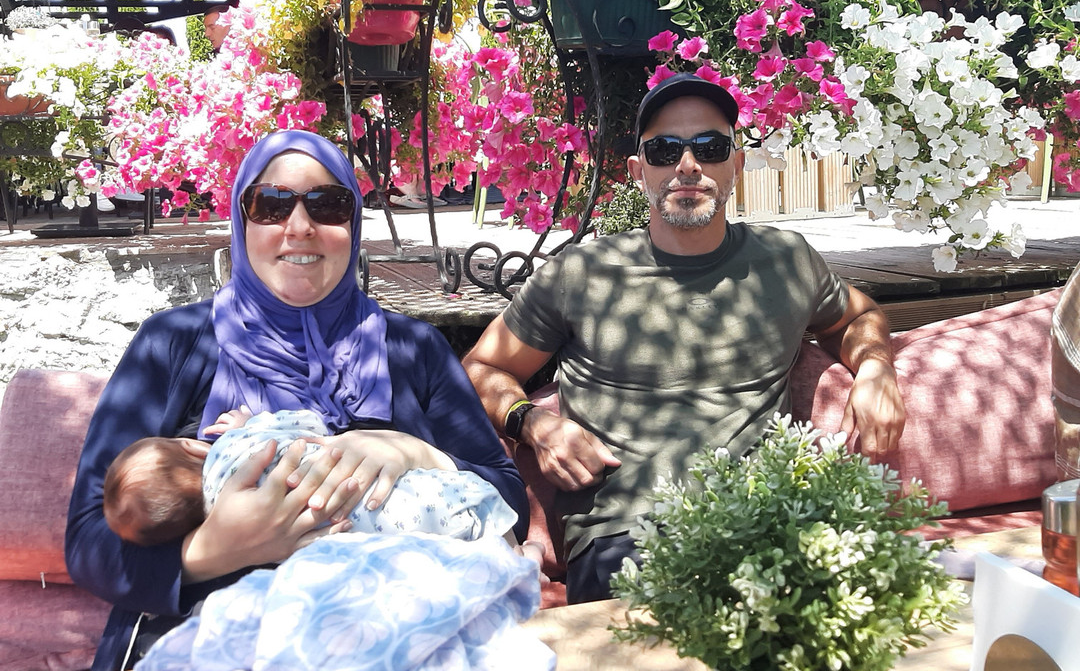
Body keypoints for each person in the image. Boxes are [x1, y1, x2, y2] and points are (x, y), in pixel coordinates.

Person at [66, 129, 528, 671]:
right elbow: (89, 540)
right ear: (242, 221)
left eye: (328, 205)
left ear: (353, 225)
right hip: (198, 641)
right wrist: (216, 549)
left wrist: (414, 452)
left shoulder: (413, 348)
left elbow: (509, 505)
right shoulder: (172, 343)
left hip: (393, 640)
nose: (300, 226)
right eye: (272, 204)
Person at [461, 73, 906, 604]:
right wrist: (531, 423)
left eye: (710, 148)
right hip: (627, 534)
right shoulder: (581, 273)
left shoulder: (787, 261)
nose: (688, 165)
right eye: (665, 150)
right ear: (638, 171)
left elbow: (857, 317)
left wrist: (876, 368)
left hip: (768, 520)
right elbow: (481, 368)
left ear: (736, 165)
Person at [104, 408, 519, 547]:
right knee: (478, 509)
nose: (298, 234)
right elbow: (308, 424)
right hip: (431, 502)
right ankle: (519, 560)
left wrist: (410, 448)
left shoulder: (221, 515)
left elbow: (507, 481)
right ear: (193, 446)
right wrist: (212, 557)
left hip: (389, 556)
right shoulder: (239, 441)